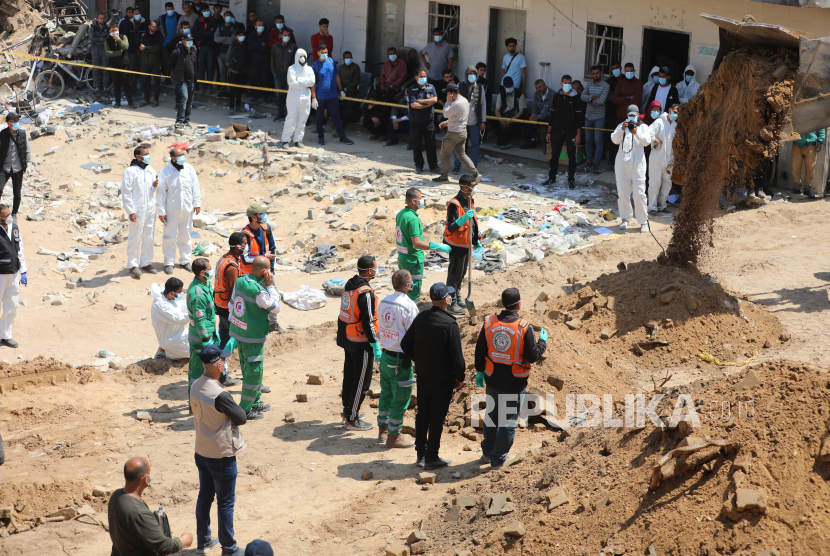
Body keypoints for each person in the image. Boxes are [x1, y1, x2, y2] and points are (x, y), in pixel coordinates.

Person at [475, 288, 547, 470]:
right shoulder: (524, 327)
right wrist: (542, 342)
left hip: (492, 379)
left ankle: (487, 453)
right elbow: (532, 356)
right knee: (507, 422)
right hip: (514, 383)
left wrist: (479, 371)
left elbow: (480, 349)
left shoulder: (489, 322)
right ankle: (498, 459)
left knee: (491, 417)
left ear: (502, 303)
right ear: (519, 304)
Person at [190, 345, 248, 556]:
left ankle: (204, 541)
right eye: (223, 362)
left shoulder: (195, 385)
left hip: (201, 451)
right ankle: (229, 549)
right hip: (220, 456)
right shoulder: (220, 394)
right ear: (218, 365)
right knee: (225, 503)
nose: (226, 364)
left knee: (205, 496)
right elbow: (241, 417)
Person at [401, 282, 465, 470]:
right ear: (446, 299)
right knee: (437, 417)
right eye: (449, 296)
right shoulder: (450, 323)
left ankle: (421, 454)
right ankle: (432, 457)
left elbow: (406, 344)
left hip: (423, 376)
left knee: (423, 414)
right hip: (443, 379)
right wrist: (459, 378)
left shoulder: (421, 317)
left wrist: (417, 360)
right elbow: (458, 358)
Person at [108, 457, 193, 556]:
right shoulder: (138, 511)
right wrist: (185, 540)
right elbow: (165, 547)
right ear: (145, 478)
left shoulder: (116, 495)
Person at [229, 256, 280, 419]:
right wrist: (271, 286)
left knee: (247, 368)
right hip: (253, 336)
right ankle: (244, 409)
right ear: (265, 271)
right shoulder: (258, 290)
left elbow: (232, 304)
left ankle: (255, 402)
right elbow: (275, 307)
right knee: (254, 372)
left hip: (240, 333)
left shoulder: (241, 280)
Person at [337, 254, 381, 431]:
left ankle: (348, 411)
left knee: (349, 376)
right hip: (361, 341)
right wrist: (374, 343)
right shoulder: (366, 293)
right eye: (376, 268)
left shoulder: (350, 286)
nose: (376, 271)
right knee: (361, 381)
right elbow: (368, 321)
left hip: (347, 339)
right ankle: (352, 418)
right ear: (370, 270)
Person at [375, 269, 419, 448]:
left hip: (385, 356)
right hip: (401, 360)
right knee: (401, 398)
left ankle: (382, 431)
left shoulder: (384, 300)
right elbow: (414, 335)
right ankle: (394, 436)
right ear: (408, 285)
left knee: (385, 394)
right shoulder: (408, 306)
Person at [396, 188, 450, 300]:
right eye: (420, 198)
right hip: (413, 261)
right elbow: (417, 244)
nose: (422, 200)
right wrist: (438, 246)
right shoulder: (413, 219)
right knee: (413, 292)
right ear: (413, 201)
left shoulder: (401, 214)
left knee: (403, 290)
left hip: (403, 258)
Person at [157, 146, 200, 274]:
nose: (182, 158)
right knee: (169, 235)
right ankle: (169, 262)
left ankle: (185, 260)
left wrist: (197, 203)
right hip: (171, 209)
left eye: (183, 155)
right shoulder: (165, 172)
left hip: (187, 208)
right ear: (173, 158)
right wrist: (161, 212)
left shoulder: (189, 169)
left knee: (185, 234)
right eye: (179, 156)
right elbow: (161, 193)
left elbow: (195, 186)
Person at [611, 105, 653, 233]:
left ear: (638, 114)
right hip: (622, 165)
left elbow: (647, 142)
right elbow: (614, 140)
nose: (632, 118)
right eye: (630, 115)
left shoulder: (644, 127)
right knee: (623, 194)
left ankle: (643, 221)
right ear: (627, 115)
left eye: (634, 115)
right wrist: (622, 130)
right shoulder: (621, 126)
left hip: (638, 165)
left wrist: (636, 132)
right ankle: (625, 218)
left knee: (639, 194)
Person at [443, 175, 480, 315]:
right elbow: (450, 227)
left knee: (462, 273)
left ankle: (457, 297)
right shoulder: (454, 204)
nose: (475, 188)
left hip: (466, 245)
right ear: (466, 187)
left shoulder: (470, 200)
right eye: (474, 185)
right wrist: (463, 218)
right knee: (454, 275)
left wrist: (476, 240)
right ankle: (451, 302)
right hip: (456, 246)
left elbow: (473, 223)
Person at [122, 146, 158, 277]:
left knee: (148, 236)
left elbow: (151, 190)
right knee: (135, 237)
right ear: (138, 157)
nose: (148, 156)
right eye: (145, 154)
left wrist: (154, 186)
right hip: (137, 209)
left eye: (148, 153)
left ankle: (146, 262)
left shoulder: (150, 170)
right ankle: (133, 264)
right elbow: (126, 192)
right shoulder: (130, 171)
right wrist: (131, 211)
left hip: (150, 207)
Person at [187, 257, 219, 399]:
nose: (211, 271)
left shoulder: (204, 284)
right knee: (197, 371)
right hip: (201, 339)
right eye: (208, 269)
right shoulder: (198, 293)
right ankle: (194, 402)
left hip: (209, 333)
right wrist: (206, 339)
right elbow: (199, 319)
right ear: (202, 272)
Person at [434, 83, 480, 182]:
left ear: (452, 94)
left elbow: (446, 113)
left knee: (445, 154)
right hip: (462, 132)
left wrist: (447, 101)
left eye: (447, 94)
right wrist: (446, 123)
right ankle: (476, 173)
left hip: (453, 133)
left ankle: (443, 176)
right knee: (462, 155)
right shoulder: (464, 100)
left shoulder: (455, 103)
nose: (446, 95)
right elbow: (457, 117)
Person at [543, 75, 583, 189]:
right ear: (561, 84)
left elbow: (579, 118)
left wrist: (578, 134)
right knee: (554, 155)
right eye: (566, 83)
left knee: (571, 156)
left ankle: (571, 179)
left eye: (569, 83)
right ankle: (551, 178)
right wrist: (548, 132)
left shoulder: (576, 98)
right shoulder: (556, 97)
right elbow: (552, 115)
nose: (568, 85)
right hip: (556, 130)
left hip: (571, 131)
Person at [312, 45, 354, 146]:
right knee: (319, 117)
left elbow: (337, 76)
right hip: (320, 96)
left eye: (326, 52)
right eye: (322, 52)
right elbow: (312, 82)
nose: (324, 54)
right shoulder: (315, 65)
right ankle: (320, 137)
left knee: (336, 116)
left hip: (332, 95)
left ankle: (342, 137)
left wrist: (341, 90)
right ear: (318, 53)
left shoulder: (331, 62)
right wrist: (313, 98)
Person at [214, 232, 245, 349]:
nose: (246, 247)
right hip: (227, 308)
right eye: (244, 244)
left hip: (220, 303)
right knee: (233, 338)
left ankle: (218, 356)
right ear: (238, 247)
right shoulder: (232, 267)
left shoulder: (224, 259)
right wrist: (236, 313)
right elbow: (233, 292)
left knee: (223, 335)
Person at [0, 204, 25, 349]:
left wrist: (24, 272)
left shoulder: (14, 228)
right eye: (6, 215)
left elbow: (20, 249)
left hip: (13, 273)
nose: (9, 217)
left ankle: (6, 335)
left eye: (10, 214)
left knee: (12, 305)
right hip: (0, 274)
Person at [454, 66, 486, 172]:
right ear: (466, 75)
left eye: (474, 74)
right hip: (461, 121)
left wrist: (483, 121)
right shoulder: (459, 86)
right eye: (470, 74)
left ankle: (473, 166)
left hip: (474, 121)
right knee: (459, 144)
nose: (472, 76)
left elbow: (483, 105)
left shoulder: (480, 88)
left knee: (475, 144)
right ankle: (457, 166)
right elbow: (453, 101)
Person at [280, 48, 314, 149]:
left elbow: (311, 82)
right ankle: (285, 140)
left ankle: (298, 140)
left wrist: (299, 79)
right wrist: (304, 83)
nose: (302, 58)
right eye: (300, 56)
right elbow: (292, 83)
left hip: (305, 99)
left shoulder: (309, 69)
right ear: (296, 57)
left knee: (302, 120)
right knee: (291, 119)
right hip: (293, 98)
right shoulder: (292, 68)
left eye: (304, 56)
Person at [407, 69, 439, 173]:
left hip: (429, 121)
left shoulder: (431, 87)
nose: (424, 78)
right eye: (421, 77)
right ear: (416, 78)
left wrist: (422, 101)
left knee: (431, 144)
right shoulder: (411, 89)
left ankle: (433, 166)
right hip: (416, 121)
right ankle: (419, 165)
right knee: (416, 145)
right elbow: (413, 105)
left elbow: (435, 100)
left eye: (425, 76)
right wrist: (428, 104)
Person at [648, 103, 678, 213]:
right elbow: (649, 133)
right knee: (655, 183)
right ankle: (652, 207)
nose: (676, 115)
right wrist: (657, 141)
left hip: (669, 159)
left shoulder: (674, 125)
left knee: (667, 183)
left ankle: (662, 205)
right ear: (669, 110)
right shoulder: (659, 122)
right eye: (674, 112)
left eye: (677, 114)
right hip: (657, 158)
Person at [0, 113, 31, 217]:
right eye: (15, 121)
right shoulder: (2, 134)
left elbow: (27, 149)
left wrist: (28, 163)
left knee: (17, 193)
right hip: (5, 167)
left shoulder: (22, 134)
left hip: (18, 168)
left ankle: (14, 214)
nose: (17, 123)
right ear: (9, 123)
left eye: (18, 121)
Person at [151, 277, 189, 359]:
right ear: (172, 293)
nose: (182, 294)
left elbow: (180, 306)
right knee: (199, 351)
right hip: (170, 340)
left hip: (178, 333)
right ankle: (166, 353)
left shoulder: (168, 297)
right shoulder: (161, 306)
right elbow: (182, 319)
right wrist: (192, 307)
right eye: (180, 292)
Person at [581, 65, 611, 171]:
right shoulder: (589, 84)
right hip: (588, 116)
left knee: (598, 141)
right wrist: (594, 98)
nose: (595, 75)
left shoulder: (605, 86)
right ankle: (588, 162)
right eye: (593, 73)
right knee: (588, 140)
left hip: (599, 117)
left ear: (601, 73)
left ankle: (596, 164)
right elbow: (582, 96)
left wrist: (589, 99)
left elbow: (601, 101)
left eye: (597, 73)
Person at [169, 33, 197, 129]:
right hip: (181, 80)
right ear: (183, 41)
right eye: (188, 40)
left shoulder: (193, 50)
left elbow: (194, 64)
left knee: (190, 101)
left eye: (191, 40)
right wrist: (176, 75)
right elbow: (171, 65)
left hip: (191, 80)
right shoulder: (177, 51)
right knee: (184, 98)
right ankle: (180, 120)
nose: (190, 42)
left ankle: (186, 120)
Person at [105, 25, 136, 108]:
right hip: (114, 65)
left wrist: (118, 39)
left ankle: (130, 102)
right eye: (112, 31)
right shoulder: (107, 40)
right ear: (109, 31)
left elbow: (126, 47)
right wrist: (119, 52)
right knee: (116, 85)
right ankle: (117, 102)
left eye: (115, 30)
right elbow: (108, 53)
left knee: (126, 84)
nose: (114, 32)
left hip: (124, 64)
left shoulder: (123, 37)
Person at [215, 11, 244, 97]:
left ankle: (230, 91)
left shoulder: (235, 27)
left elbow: (232, 40)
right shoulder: (220, 26)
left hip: (231, 54)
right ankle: (223, 90)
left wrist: (222, 40)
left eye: (229, 16)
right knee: (222, 73)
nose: (228, 17)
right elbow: (216, 38)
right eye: (226, 16)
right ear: (223, 17)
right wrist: (225, 38)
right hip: (221, 53)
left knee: (231, 74)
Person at [270, 28, 296, 121]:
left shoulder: (293, 47)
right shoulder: (275, 47)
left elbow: (295, 62)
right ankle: (280, 113)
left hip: (289, 76)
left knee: (289, 96)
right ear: (281, 36)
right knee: (279, 95)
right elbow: (272, 60)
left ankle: (289, 114)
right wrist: (274, 73)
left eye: (288, 35)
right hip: (278, 75)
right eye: (285, 35)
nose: (286, 37)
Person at [494, 76, 526, 149]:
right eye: (506, 86)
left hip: (514, 116)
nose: (508, 87)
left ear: (513, 84)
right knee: (492, 119)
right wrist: (500, 119)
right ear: (504, 86)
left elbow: (521, 111)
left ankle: (500, 140)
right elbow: (497, 110)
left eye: (510, 85)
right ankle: (505, 141)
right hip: (503, 115)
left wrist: (511, 120)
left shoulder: (519, 94)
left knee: (516, 123)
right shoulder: (501, 94)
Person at [792, 128, 825, 197]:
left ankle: (807, 189)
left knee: (810, 168)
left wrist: (820, 141)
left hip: (811, 145)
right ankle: (796, 188)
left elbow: (820, 127)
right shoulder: (798, 116)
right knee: (796, 168)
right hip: (797, 143)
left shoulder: (816, 116)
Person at [520, 79, 552, 150]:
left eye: (540, 87)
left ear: (545, 86)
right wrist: (533, 115)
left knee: (550, 120)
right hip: (539, 115)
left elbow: (551, 112)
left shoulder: (553, 95)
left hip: (548, 116)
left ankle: (548, 145)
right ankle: (531, 140)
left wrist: (538, 116)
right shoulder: (536, 94)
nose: (538, 89)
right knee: (526, 117)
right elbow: (534, 107)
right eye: (537, 88)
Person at [193, 4, 218, 94]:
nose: (206, 12)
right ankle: (202, 86)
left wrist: (202, 33)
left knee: (211, 67)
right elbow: (195, 33)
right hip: (201, 47)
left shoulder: (214, 20)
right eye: (204, 11)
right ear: (201, 12)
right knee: (201, 67)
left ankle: (209, 86)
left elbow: (213, 33)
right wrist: (206, 34)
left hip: (211, 47)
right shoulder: (198, 20)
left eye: (207, 10)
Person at [419, 28, 454, 92]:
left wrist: (447, 75)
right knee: (430, 95)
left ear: (442, 35)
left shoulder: (447, 46)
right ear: (433, 36)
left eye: (439, 34)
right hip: (431, 76)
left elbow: (451, 60)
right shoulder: (429, 46)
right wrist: (425, 63)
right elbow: (421, 53)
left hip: (442, 78)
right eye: (436, 34)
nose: (437, 36)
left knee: (441, 95)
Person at [139, 20, 163, 107]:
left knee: (156, 81)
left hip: (156, 62)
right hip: (145, 61)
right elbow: (141, 47)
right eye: (153, 26)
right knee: (145, 81)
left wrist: (146, 48)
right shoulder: (144, 36)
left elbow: (157, 48)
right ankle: (146, 99)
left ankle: (155, 99)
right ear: (149, 26)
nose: (155, 28)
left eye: (156, 26)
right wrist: (148, 48)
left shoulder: (159, 35)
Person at [226, 28, 248, 114]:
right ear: (236, 36)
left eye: (243, 35)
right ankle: (231, 107)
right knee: (233, 90)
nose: (241, 37)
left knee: (239, 90)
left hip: (242, 71)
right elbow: (227, 59)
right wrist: (229, 69)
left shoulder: (245, 46)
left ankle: (238, 106)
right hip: (233, 70)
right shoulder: (233, 45)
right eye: (240, 35)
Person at [246, 20, 270, 101]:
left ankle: (265, 96)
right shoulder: (251, 35)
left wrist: (256, 46)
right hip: (254, 61)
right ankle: (254, 96)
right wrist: (260, 44)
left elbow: (267, 48)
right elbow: (250, 46)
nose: (261, 27)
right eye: (259, 25)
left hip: (264, 61)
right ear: (255, 26)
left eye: (262, 25)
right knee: (253, 79)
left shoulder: (266, 35)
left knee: (265, 79)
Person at [90, 12, 112, 99]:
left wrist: (98, 40)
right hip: (95, 52)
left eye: (103, 18)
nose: (102, 20)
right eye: (101, 18)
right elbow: (92, 39)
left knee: (105, 70)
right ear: (97, 19)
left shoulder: (107, 28)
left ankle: (105, 88)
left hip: (104, 52)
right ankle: (97, 88)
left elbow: (109, 40)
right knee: (96, 71)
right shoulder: (93, 28)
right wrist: (103, 39)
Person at [126, 7, 148, 91]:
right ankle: (133, 89)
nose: (137, 15)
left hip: (143, 51)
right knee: (133, 70)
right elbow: (126, 36)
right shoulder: (129, 23)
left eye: (139, 13)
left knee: (143, 70)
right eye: (136, 14)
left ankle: (144, 89)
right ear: (133, 15)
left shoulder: (145, 23)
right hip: (132, 51)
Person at [158, 2, 181, 82]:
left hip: (175, 44)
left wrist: (178, 34)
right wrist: (160, 32)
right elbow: (154, 25)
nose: (170, 10)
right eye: (168, 9)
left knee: (177, 62)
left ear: (174, 9)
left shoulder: (178, 17)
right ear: (165, 10)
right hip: (165, 44)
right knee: (166, 62)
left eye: (171, 9)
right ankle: (168, 79)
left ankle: (177, 79)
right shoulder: (162, 18)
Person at [605, 61, 623, 161]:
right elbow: (607, 97)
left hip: (623, 113)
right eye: (613, 68)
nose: (615, 70)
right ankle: (612, 160)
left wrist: (615, 96)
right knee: (612, 136)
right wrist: (621, 96)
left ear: (620, 67)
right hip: (612, 112)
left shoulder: (625, 80)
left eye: (616, 67)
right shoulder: (609, 81)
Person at [339, 50, 362, 123]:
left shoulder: (355, 67)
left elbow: (356, 81)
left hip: (351, 90)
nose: (349, 59)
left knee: (349, 102)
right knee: (335, 101)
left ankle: (341, 120)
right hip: (341, 89)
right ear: (343, 59)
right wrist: (341, 90)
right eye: (347, 58)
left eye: (350, 58)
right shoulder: (341, 68)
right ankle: (337, 118)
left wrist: (346, 89)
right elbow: (338, 80)